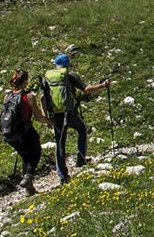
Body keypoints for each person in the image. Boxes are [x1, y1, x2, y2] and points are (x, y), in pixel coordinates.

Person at [43, 54, 110, 185]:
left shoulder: (48, 78)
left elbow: (43, 99)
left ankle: (63, 176)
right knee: (82, 129)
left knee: (60, 145)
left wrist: (45, 118)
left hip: (56, 116)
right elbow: (86, 89)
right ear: (68, 64)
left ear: (56, 64)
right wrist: (103, 85)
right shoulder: (70, 75)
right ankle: (80, 159)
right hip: (70, 113)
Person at [1, 69, 51, 195]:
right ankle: (28, 177)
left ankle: (29, 189)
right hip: (26, 131)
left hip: (9, 133)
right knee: (36, 153)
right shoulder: (28, 96)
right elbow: (38, 117)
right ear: (24, 81)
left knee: (25, 157)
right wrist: (50, 122)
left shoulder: (7, 96)